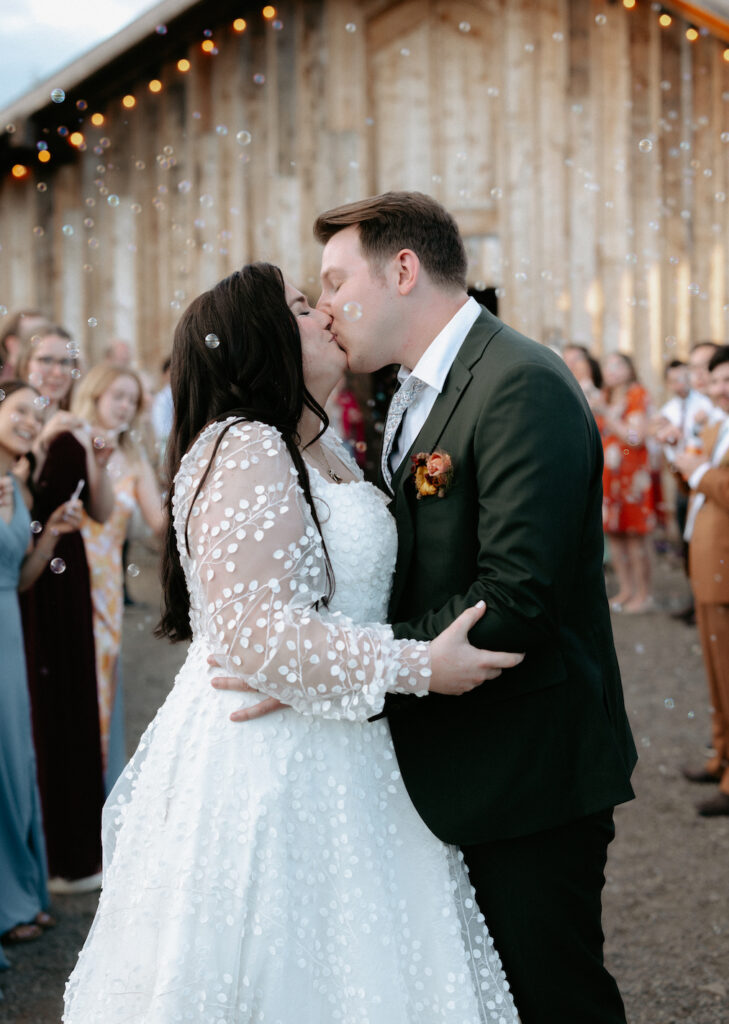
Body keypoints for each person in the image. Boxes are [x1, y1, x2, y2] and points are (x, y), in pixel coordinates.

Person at [63, 263, 523, 1023]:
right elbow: (253, 632)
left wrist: (334, 668)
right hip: (269, 758)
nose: (325, 314)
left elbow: (316, 615)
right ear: (260, 337)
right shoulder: (244, 445)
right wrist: (417, 665)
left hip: (344, 738)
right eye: (304, 307)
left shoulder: (321, 444)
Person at [217, 192, 637, 1024]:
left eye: (334, 282)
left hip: (524, 769)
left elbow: (515, 597)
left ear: (402, 270)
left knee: (550, 995)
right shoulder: (408, 392)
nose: (326, 305)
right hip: (451, 763)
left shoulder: (518, 383)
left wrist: (349, 664)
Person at [16, 326, 115, 893]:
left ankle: (79, 852)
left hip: (69, 568)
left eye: (65, 361)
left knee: (75, 697)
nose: (56, 370)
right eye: (46, 360)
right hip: (29, 570)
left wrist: (96, 456)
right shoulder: (21, 426)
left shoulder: (74, 428)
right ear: (25, 364)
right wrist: (38, 440)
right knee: (39, 705)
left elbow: (99, 508)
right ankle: (46, 851)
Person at [0, 381, 80, 960]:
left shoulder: (16, 485)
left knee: (18, 760)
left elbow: (23, 577)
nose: (31, 421)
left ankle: (23, 893)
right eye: (18, 411)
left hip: (10, 627)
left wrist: (51, 527)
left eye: (38, 413)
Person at [71, 364, 165, 790]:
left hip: (106, 583)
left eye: (132, 399)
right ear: (94, 395)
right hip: (66, 575)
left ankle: (94, 793)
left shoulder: (131, 456)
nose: (126, 406)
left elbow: (160, 523)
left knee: (101, 684)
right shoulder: (68, 439)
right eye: (118, 396)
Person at [674, 345, 729, 817]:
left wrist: (703, 471)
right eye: (717, 380)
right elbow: (688, 475)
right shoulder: (715, 425)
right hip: (708, 565)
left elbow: (711, 480)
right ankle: (720, 755)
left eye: (728, 379)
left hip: (726, 569)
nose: (721, 388)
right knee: (715, 675)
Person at [597, 351, 656, 613]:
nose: (612, 370)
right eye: (608, 366)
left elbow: (635, 437)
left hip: (631, 477)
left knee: (635, 536)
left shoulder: (637, 395)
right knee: (615, 535)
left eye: (618, 364)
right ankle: (626, 590)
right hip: (610, 476)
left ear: (630, 369)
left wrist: (607, 415)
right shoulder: (606, 396)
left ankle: (644, 594)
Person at [0, 310, 47, 382]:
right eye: (35, 337)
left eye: (46, 334)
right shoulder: (7, 387)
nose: (45, 342)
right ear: (12, 344)